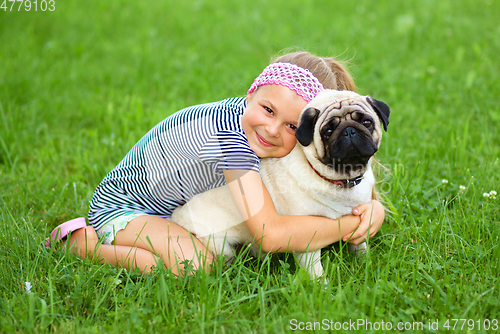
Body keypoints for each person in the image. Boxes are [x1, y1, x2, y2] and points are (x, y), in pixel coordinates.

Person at [46, 51, 386, 275]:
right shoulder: (232, 141)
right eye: (267, 110)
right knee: (196, 266)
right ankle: (82, 243)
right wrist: (348, 227)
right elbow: (270, 236)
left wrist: (372, 208)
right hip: (127, 210)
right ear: (252, 93)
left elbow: (334, 181)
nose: (271, 128)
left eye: (292, 126)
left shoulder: (256, 124)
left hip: (183, 213)